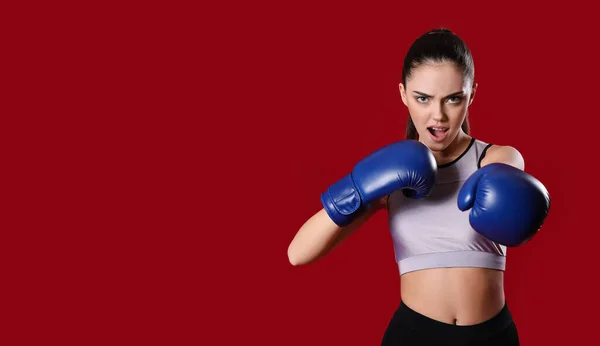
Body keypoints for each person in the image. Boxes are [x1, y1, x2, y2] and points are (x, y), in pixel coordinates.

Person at [287, 28, 551, 346]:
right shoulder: (392, 176)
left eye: (453, 99)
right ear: (403, 93)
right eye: (422, 98)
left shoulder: (495, 159)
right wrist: (357, 187)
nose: (437, 116)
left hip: (491, 336)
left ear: (472, 94)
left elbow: (517, 190)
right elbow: (298, 254)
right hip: (414, 336)